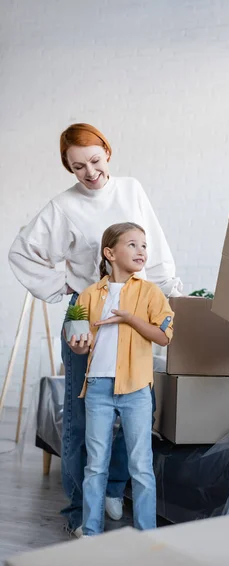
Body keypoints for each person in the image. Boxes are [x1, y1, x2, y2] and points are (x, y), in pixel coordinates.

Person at [8, 123, 182, 537]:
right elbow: (21, 253)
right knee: (82, 414)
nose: (89, 173)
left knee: (138, 405)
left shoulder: (131, 190)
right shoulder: (63, 206)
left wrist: (167, 300)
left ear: (107, 152)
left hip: (138, 305)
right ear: (67, 168)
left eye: (95, 161)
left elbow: (153, 248)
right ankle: (77, 513)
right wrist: (65, 287)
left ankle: (114, 486)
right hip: (88, 310)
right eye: (77, 166)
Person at [68, 222, 173, 535]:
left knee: (141, 466)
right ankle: (90, 532)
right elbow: (76, 339)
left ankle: (146, 535)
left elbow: (164, 336)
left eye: (144, 245)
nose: (141, 251)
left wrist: (129, 318)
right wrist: (77, 342)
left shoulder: (151, 293)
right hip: (98, 387)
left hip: (136, 389)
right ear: (109, 253)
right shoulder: (87, 296)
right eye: (132, 244)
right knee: (95, 465)